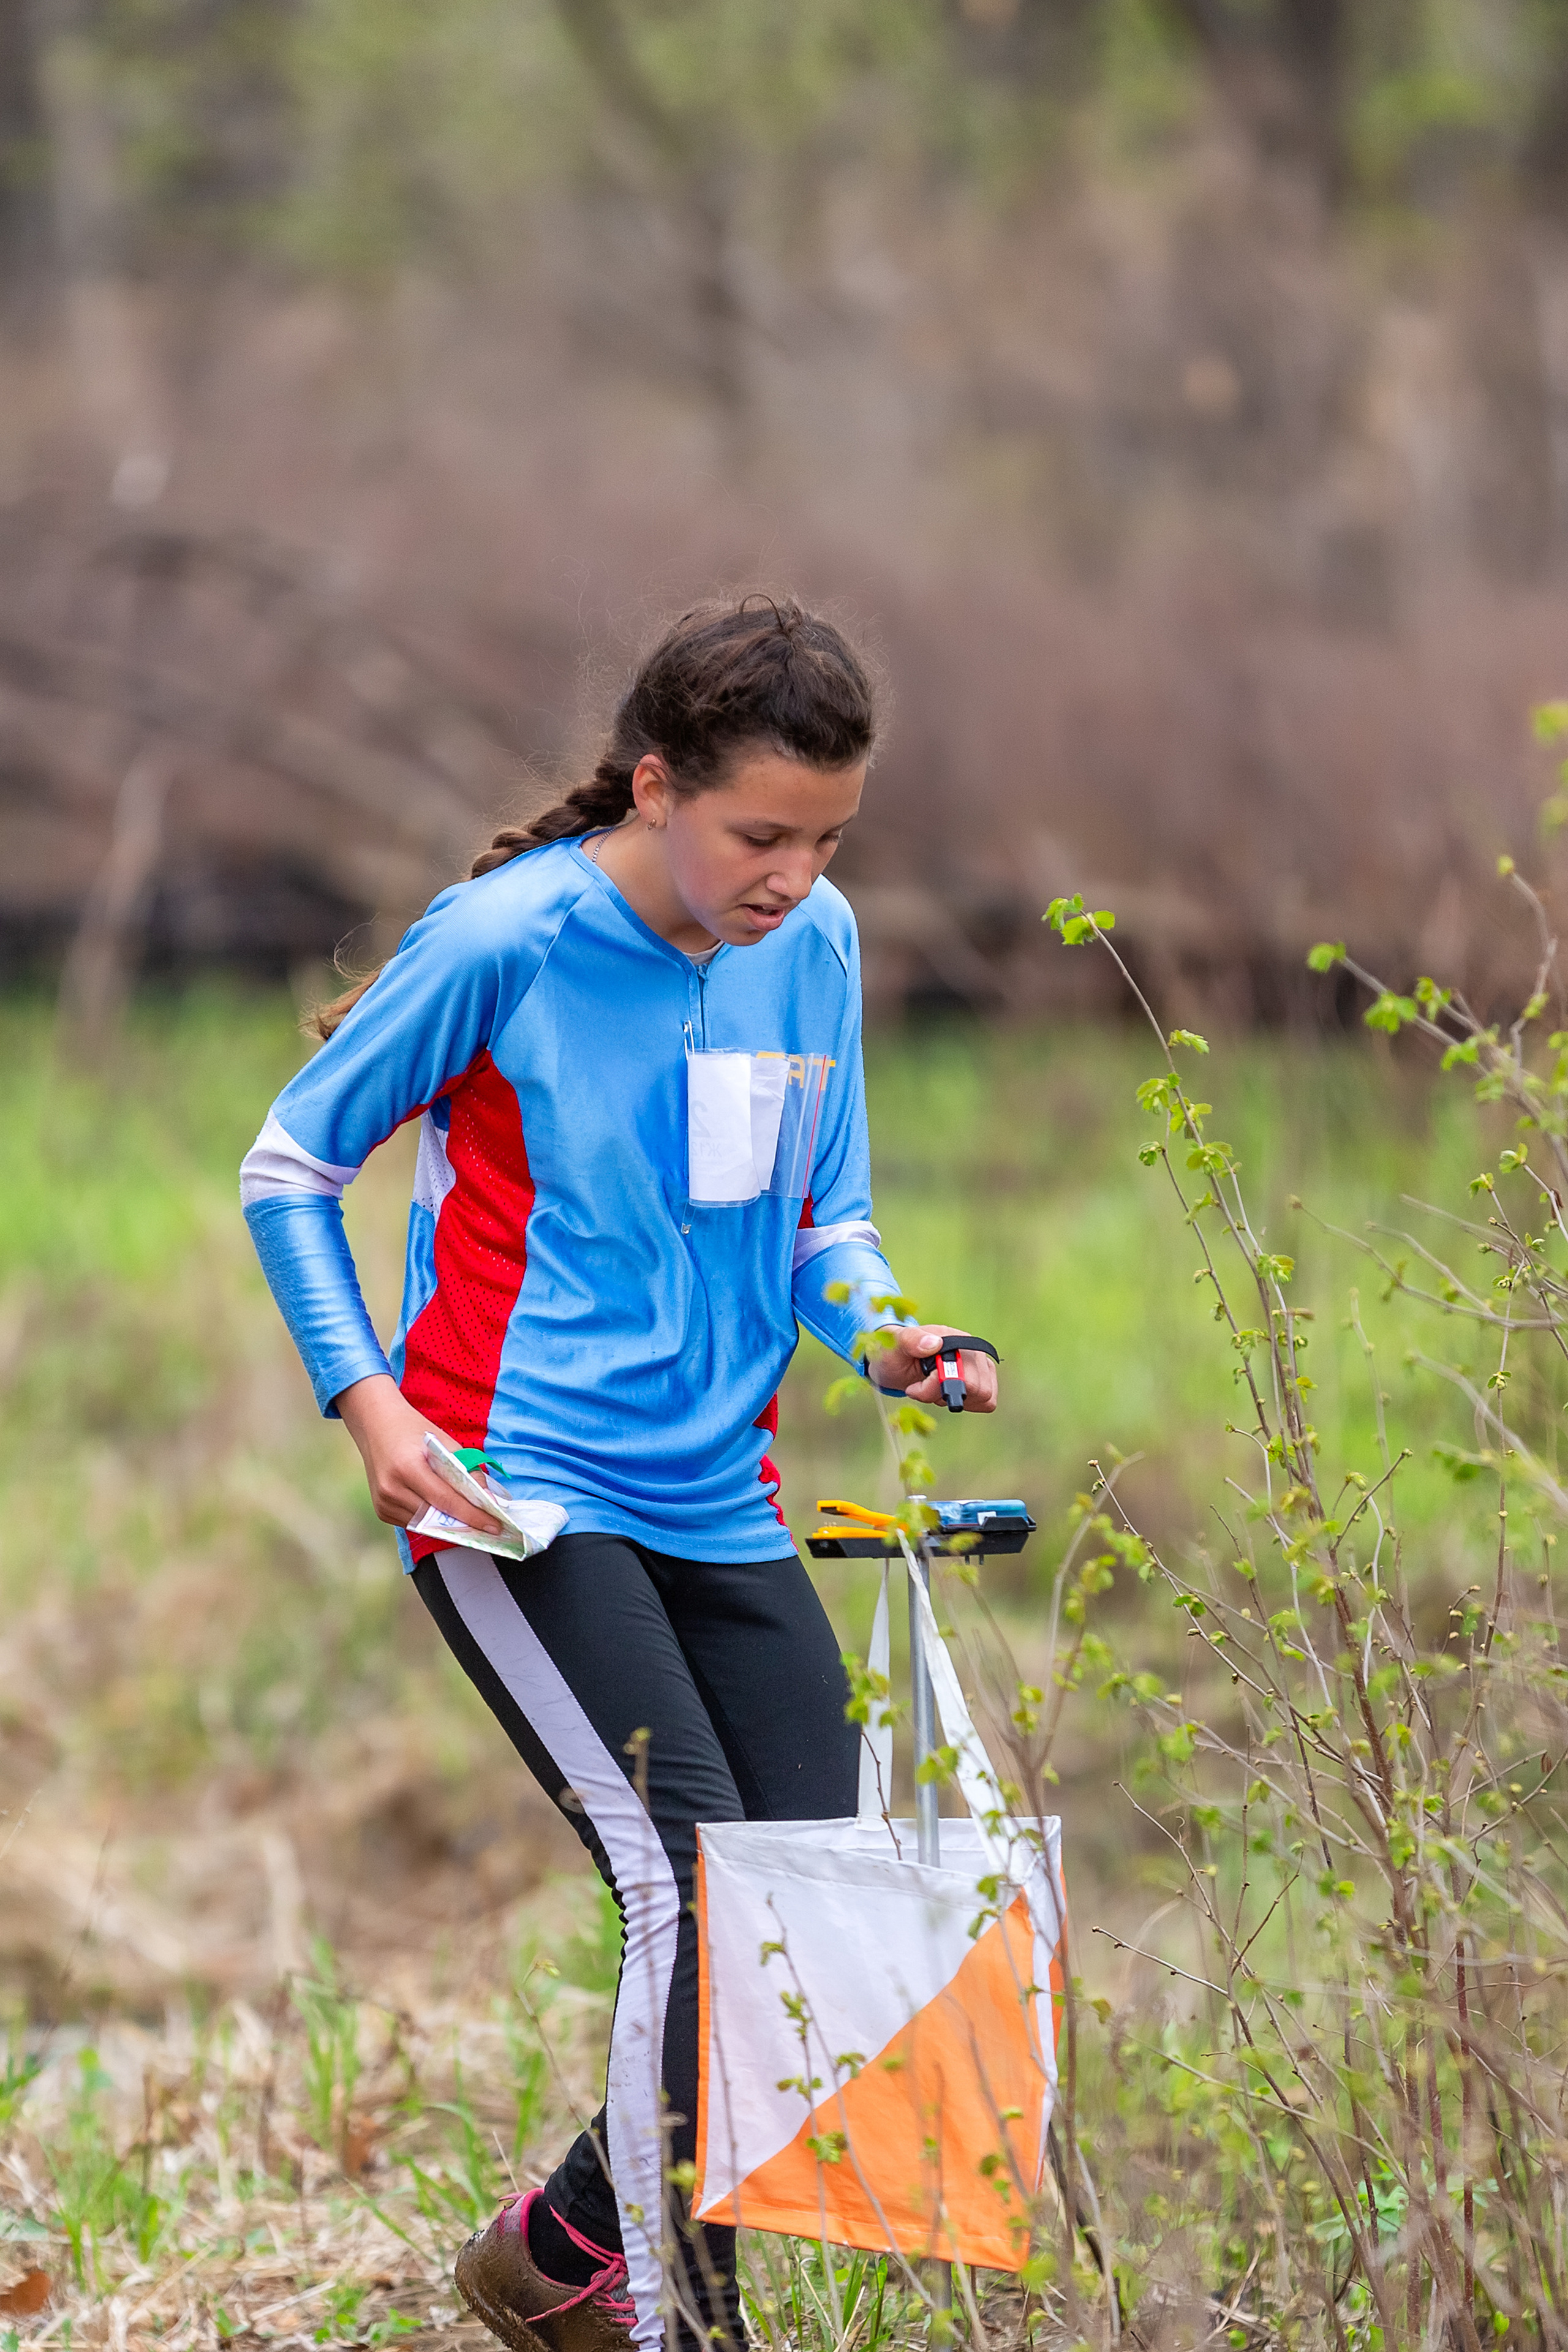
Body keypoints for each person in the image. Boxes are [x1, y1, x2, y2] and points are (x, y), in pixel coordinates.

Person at [239, 597, 999, 2352]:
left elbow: (827, 1217)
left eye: (828, 837)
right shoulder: (505, 940)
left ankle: (561, 2245)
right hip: (512, 1490)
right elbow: (292, 1167)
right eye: (759, 833)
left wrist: (887, 1336)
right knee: (687, 1880)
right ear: (655, 787)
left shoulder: (811, 949)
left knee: (823, 1902)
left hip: (718, 1494)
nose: (792, 873)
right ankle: (671, 2327)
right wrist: (370, 1409)